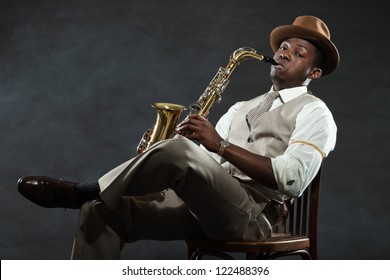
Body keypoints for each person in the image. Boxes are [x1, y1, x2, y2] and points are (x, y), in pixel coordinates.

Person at [17, 15, 339, 259]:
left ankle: (81, 191)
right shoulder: (242, 107)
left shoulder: (315, 113)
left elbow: (293, 179)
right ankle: (91, 199)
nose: (284, 54)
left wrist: (218, 146)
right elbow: (206, 165)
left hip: (252, 217)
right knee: (100, 211)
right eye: (283, 47)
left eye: (298, 53)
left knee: (179, 153)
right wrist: (157, 153)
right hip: (203, 207)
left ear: (313, 73)